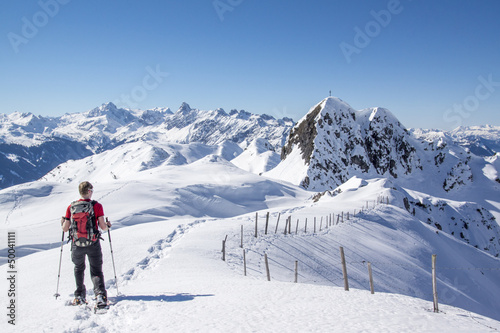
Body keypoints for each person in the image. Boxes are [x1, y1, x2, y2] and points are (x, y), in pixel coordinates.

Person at [61, 181, 112, 307]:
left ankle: (79, 296)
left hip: (76, 244)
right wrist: (108, 225)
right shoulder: (96, 206)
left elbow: (65, 228)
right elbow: (103, 227)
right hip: (93, 243)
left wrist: (62, 221)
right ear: (89, 191)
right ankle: (100, 295)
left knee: (78, 269)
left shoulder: (71, 207)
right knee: (96, 270)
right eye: (92, 190)